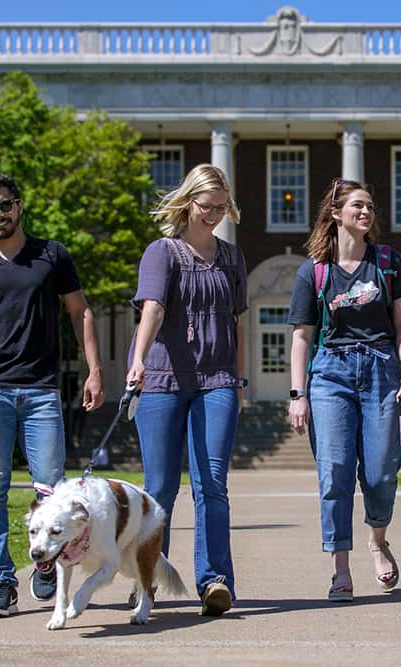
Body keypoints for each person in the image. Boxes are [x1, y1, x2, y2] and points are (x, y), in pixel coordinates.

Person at [0, 173, 105, 618]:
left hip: (41, 391)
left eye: (4, 205)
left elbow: (80, 310)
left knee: (50, 489)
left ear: (19, 205)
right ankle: (1, 582)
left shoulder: (51, 255)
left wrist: (94, 369)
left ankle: (46, 564)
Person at [287, 178, 401, 602]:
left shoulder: (387, 261)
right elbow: (300, 337)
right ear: (336, 214)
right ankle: (340, 570)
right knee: (335, 473)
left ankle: (377, 539)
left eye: (370, 206)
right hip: (330, 373)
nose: (366, 212)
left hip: (383, 369)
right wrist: (298, 395)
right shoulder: (314, 270)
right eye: (357, 206)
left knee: (382, 471)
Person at [125, 163, 248, 617]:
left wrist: (240, 380)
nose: (214, 214)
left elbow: (238, 323)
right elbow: (153, 309)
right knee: (158, 488)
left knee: (212, 484)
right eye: (207, 206)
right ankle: (148, 580)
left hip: (216, 381)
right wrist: (137, 360)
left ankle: (215, 580)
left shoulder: (232, 258)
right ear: (188, 201)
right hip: (162, 381)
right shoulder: (163, 252)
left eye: (221, 207)